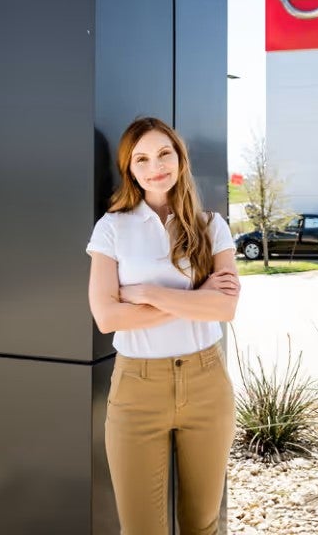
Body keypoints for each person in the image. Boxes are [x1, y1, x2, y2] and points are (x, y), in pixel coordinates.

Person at [87, 117, 240, 534]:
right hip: (137, 388)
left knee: (203, 524)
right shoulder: (112, 228)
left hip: (207, 381)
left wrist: (149, 293)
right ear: (130, 169)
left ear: (179, 158)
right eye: (142, 158)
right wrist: (198, 298)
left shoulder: (212, 226)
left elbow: (225, 310)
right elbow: (107, 316)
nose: (155, 166)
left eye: (163, 153)